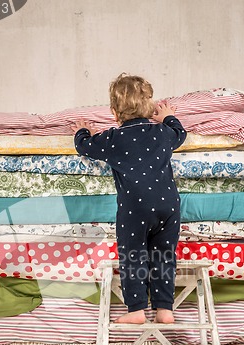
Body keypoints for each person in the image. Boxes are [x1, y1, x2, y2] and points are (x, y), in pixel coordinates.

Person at [71, 73, 187, 324]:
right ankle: (165, 308)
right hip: (169, 204)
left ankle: (136, 309)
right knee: (165, 254)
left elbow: (84, 146)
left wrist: (82, 131)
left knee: (134, 254)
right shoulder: (165, 133)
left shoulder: (112, 139)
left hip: (135, 207)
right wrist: (168, 116)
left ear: (114, 112)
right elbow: (180, 133)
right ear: (150, 107)